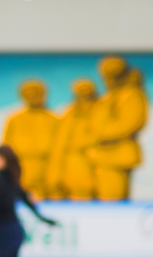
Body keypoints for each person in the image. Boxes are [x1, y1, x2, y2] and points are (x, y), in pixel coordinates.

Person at [87, 57, 146, 200]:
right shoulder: (110, 96)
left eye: (111, 75)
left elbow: (127, 124)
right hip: (103, 157)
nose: (107, 80)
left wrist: (97, 134)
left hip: (117, 156)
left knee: (112, 199)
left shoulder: (130, 94)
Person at [0, 80, 59, 198]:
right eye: (29, 94)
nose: (33, 97)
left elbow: (60, 147)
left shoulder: (54, 120)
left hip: (46, 167)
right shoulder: (15, 120)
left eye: (37, 93)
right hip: (21, 166)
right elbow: (5, 147)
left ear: (43, 95)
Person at [46, 79, 99, 199]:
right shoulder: (70, 114)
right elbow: (60, 143)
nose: (83, 96)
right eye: (80, 93)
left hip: (95, 161)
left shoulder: (100, 111)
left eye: (86, 93)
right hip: (73, 163)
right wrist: (54, 174)